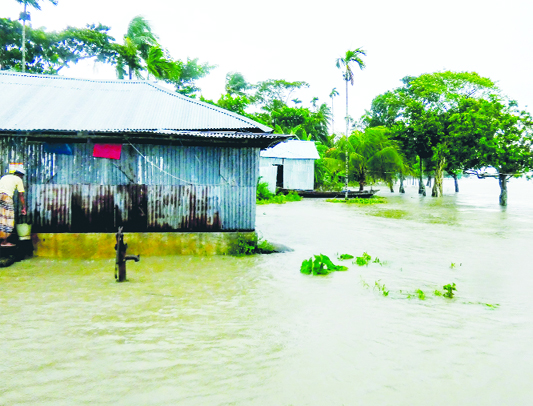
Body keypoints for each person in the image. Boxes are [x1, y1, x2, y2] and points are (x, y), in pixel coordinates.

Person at [0, 167, 27, 247]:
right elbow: (21, 195)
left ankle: (2, 241)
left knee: (1, 218)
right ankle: (4, 242)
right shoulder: (18, 179)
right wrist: (24, 207)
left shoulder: (4, 177)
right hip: (6, 197)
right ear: (20, 175)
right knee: (8, 219)